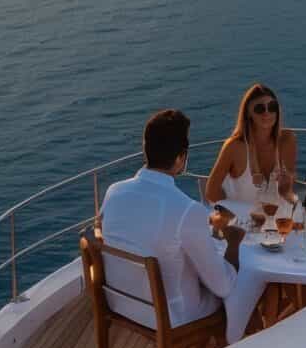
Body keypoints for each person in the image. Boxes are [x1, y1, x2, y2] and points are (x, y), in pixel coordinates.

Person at [98, 109, 242, 327]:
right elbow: (223, 286)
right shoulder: (186, 209)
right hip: (172, 316)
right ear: (181, 157)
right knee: (235, 291)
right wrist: (233, 243)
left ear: (145, 149)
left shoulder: (113, 192)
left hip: (120, 303)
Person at [202, 84, 298, 208]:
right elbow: (211, 193)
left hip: (276, 219)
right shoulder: (235, 146)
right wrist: (236, 214)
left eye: (272, 107)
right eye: (260, 109)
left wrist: (287, 190)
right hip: (242, 222)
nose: (267, 113)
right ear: (248, 113)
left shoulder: (287, 140)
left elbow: (287, 192)